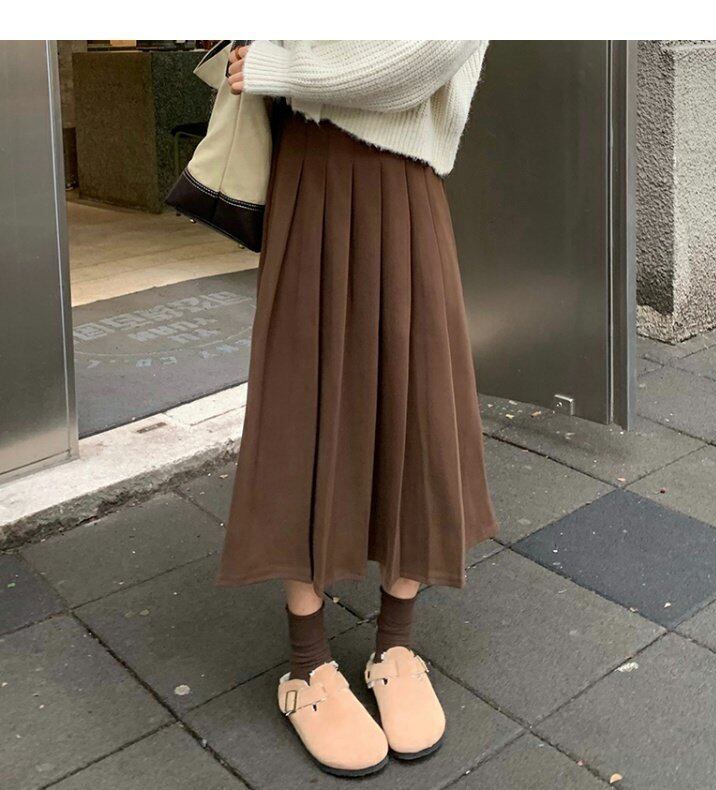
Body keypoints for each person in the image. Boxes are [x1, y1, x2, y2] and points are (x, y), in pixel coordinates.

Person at [219, 40, 496, 778]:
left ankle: (395, 646)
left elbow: (428, 51)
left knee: (420, 409)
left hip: (405, 178)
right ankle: (307, 664)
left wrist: (281, 65)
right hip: (308, 171)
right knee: (298, 407)